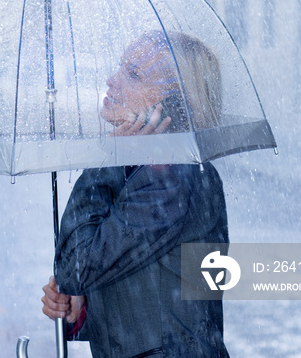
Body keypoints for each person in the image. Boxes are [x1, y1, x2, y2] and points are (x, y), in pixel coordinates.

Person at [42, 31, 230, 357]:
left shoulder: (173, 179)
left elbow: (74, 266)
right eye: (121, 67)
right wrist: (83, 309)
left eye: (134, 74)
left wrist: (108, 159)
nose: (112, 80)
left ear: (168, 103)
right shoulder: (149, 168)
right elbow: (151, 295)